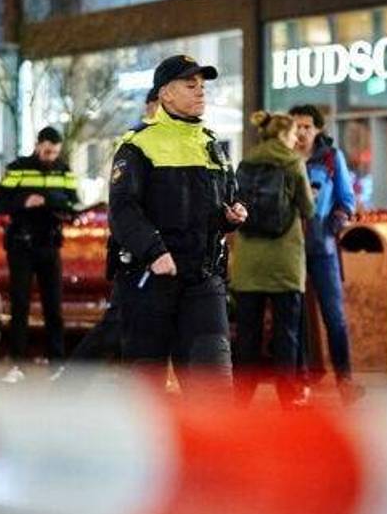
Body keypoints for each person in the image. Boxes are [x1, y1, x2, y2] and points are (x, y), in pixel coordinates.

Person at [108, 54, 247, 393]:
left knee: (213, 390)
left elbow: (226, 199)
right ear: (166, 93)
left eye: (202, 85)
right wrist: (155, 252)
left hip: (203, 282)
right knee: (146, 393)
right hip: (151, 281)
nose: (201, 92)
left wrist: (232, 215)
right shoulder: (138, 145)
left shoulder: (212, 145)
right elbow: (122, 210)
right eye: (191, 85)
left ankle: (210, 448)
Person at [57, 90, 162, 377]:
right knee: (117, 326)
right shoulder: (135, 143)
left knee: (126, 329)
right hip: (136, 258)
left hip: (153, 255)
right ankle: (70, 381)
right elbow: (123, 206)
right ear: (152, 106)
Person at [229, 111, 314, 406]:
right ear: (282, 135)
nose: (296, 139)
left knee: (247, 334)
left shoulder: (245, 162)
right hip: (284, 261)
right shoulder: (293, 163)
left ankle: (241, 398)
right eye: (293, 134)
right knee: (286, 333)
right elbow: (308, 209)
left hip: (248, 261)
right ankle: (288, 397)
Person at [0, 126, 78, 381]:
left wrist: (54, 203)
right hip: (21, 245)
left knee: (54, 307)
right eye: (47, 151)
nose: (50, 156)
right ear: (38, 145)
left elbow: (73, 206)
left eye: (55, 153)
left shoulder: (64, 170)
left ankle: (57, 365)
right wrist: (24, 202)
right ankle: (16, 364)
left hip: (50, 244)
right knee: (20, 306)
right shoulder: (18, 168)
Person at [289, 104, 364, 403]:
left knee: (334, 316)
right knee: (295, 319)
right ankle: (301, 382)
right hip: (290, 249)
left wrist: (333, 225)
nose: (302, 132)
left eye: (308, 126)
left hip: (323, 249)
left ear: (318, 129)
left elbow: (346, 200)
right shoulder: (284, 158)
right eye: (297, 126)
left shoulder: (331, 158)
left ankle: (344, 380)